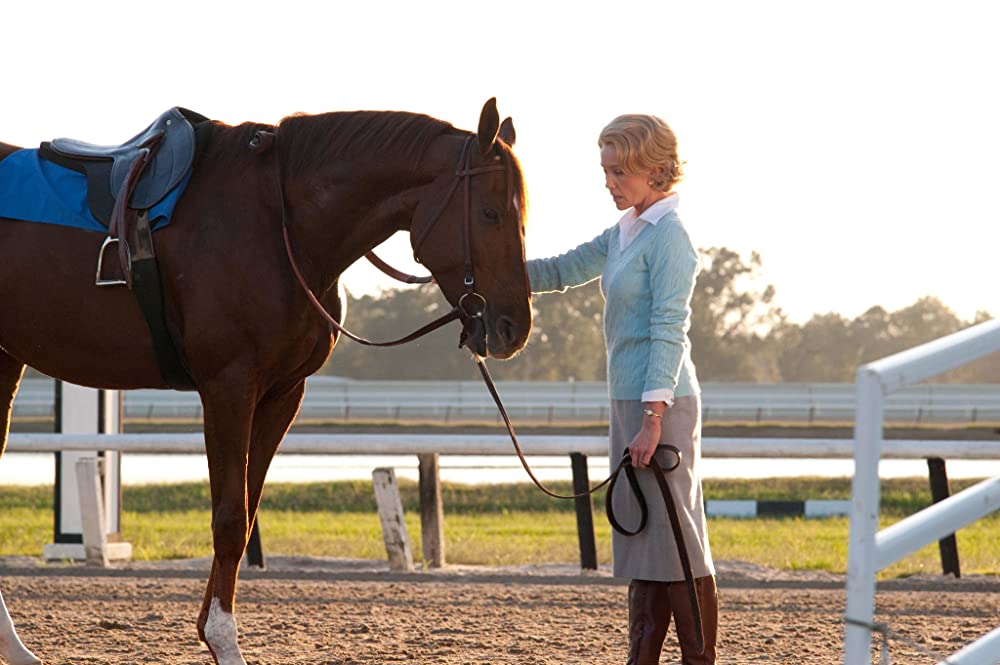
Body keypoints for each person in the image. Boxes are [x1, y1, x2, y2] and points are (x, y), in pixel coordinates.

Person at [526, 114, 717, 664]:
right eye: (606, 171)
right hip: (628, 401)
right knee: (643, 538)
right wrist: (491, 270)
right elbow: (562, 269)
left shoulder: (671, 238)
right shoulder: (626, 231)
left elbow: (669, 328)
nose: (609, 183)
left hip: (662, 403)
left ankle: (699, 659)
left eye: (619, 173)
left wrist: (653, 417)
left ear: (655, 170)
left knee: (678, 541)